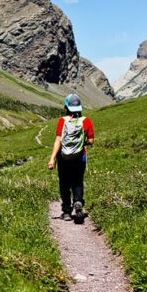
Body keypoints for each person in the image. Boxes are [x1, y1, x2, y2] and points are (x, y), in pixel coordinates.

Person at [48, 94, 94, 222]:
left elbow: (58, 140)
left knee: (64, 183)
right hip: (80, 156)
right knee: (77, 181)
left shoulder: (62, 121)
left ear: (66, 107)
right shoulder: (86, 121)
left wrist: (52, 159)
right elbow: (91, 140)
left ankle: (67, 211)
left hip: (63, 157)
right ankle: (78, 202)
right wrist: (82, 144)